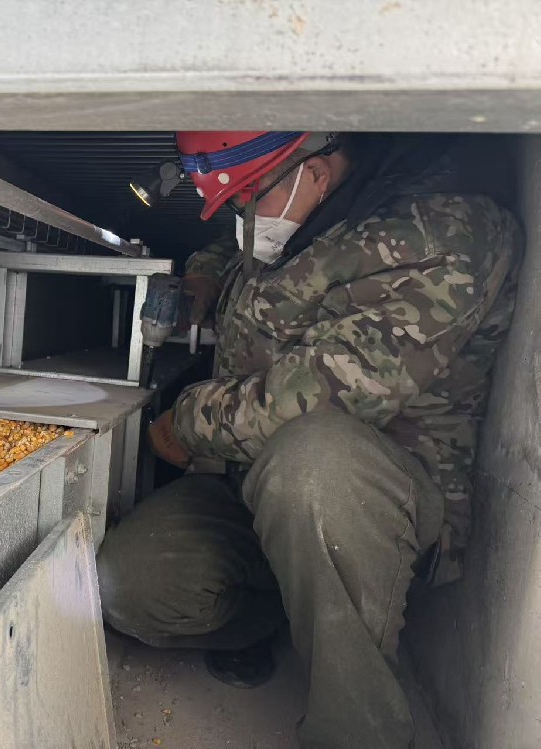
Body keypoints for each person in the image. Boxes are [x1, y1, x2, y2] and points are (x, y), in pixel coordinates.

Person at [97, 131, 522, 748]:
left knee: (313, 460)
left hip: (367, 501)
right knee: (130, 587)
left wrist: (184, 422)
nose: (245, 220)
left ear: (315, 174)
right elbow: (241, 244)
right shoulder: (301, 210)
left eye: (247, 201)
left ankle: (357, 734)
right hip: (249, 479)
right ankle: (272, 618)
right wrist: (204, 278)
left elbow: (320, 396)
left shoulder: (444, 236)